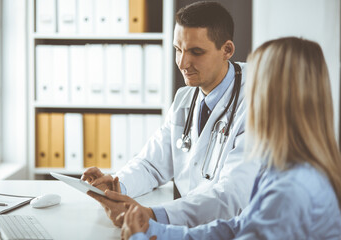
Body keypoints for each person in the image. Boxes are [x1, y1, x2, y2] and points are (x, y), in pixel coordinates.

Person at [120, 37, 341, 240]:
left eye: (254, 86)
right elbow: (237, 227)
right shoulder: (282, 168)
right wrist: (155, 229)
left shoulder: (292, 190)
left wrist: (138, 238)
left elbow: (233, 207)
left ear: (275, 98)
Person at [82, 1, 259, 227]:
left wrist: (151, 215)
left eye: (196, 52)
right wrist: (117, 185)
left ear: (227, 50)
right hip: (192, 227)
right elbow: (152, 164)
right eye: (178, 49)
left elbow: (231, 196)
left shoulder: (257, 102)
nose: (183, 63)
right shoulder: (185, 98)